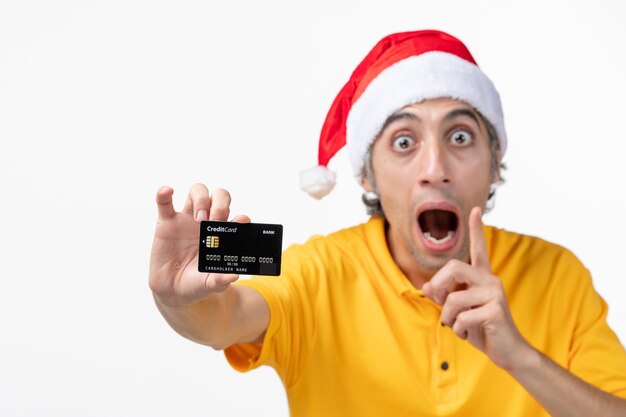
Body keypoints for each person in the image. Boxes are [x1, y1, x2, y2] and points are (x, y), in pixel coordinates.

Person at [149, 30, 626, 416]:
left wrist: (522, 359)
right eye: (403, 142)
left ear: (494, 160)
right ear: (367, 175)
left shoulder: (559, 276)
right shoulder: (320, 273)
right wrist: (178, 301)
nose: (435, 167)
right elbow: (228, 318)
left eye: (460, 136)